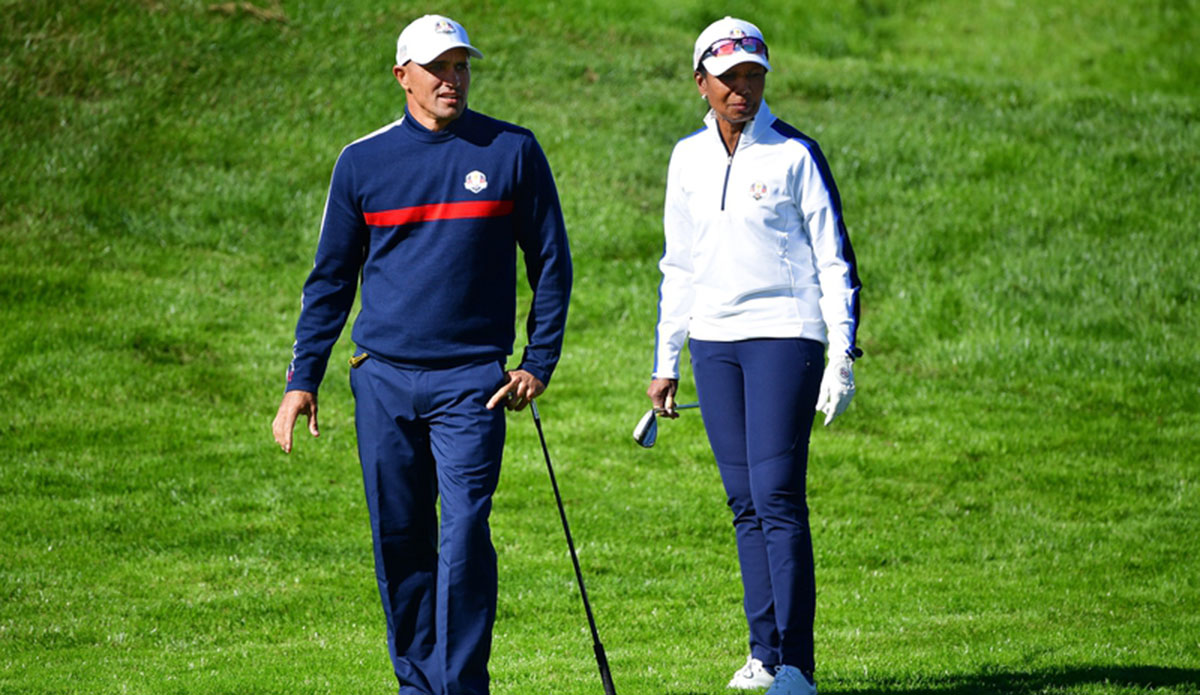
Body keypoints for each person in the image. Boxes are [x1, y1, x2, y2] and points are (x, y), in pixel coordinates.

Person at [271, 14, 572, 695]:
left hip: (474, 382)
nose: (452, 78)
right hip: (380, 380)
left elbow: (550, 262)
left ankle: (459, 684)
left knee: (464, 535)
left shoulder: (511, 151)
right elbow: (330, 279)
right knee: (401, 541)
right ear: (402, 75)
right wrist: (303, 376)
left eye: (461, 65)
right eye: (438, 67)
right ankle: (417, 682)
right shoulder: (362, 162)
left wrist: (537, 360)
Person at [646, 16, 861, 695]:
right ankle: (763, 652)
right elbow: (677, 264)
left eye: (754, 76)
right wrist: (666, 357)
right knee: (743, 500)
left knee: (776, 496)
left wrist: (842, 351)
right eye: (730, 77)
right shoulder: (686, 157)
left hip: (784, 333)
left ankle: (797, 663)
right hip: (713, 340)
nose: (743, 90)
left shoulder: (795, 153)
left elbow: (834, 259)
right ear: (701, 82)